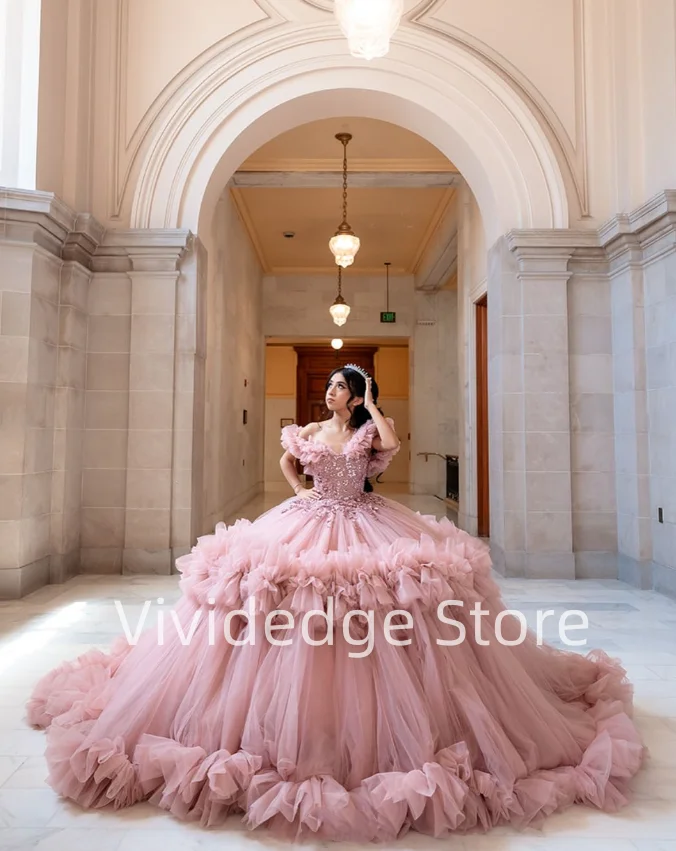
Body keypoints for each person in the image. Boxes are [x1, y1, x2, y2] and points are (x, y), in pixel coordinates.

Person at [26, 364, 644, 841]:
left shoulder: (368, 430)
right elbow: (286, 461)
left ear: (353, 395)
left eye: (337, 387)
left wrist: (375, 404)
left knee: (389, 609)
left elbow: (392, 446)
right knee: (283, 608)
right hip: (311, 518)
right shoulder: (311, 430)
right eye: (326, 386)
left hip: (367, 520)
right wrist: (302, 493)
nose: (328, 393)